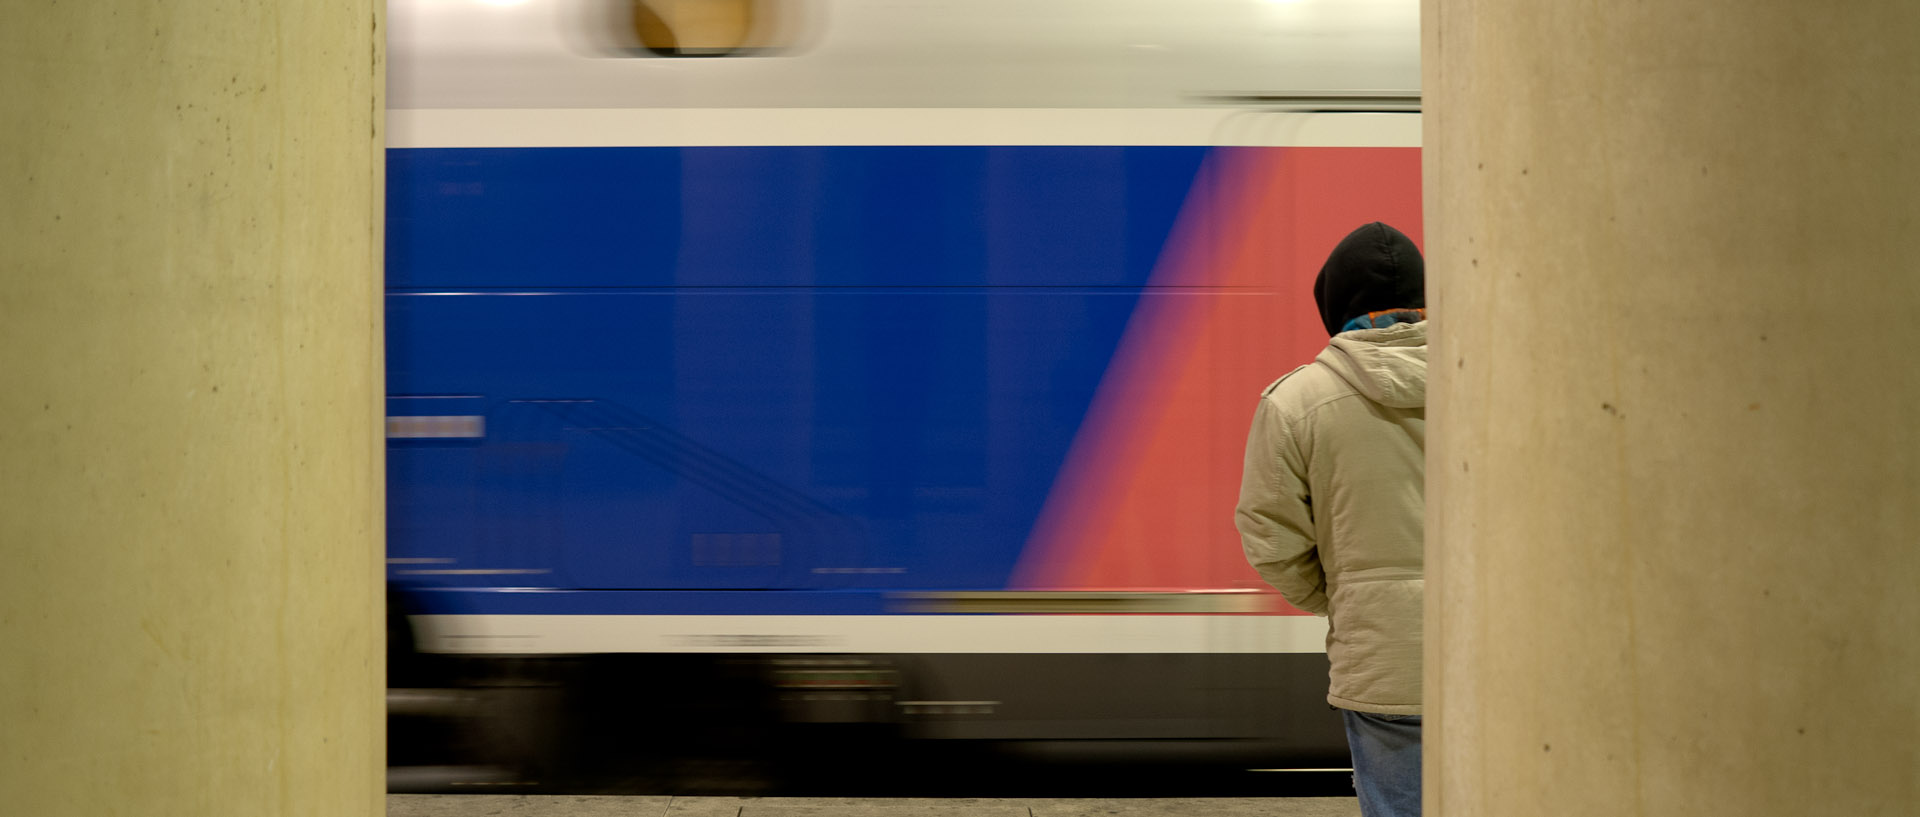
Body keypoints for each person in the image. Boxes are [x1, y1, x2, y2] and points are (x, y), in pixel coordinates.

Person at [1235, 221, 1427, 817]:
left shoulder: (1294, 403)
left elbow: (1270, 539)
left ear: (1333, 306)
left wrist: (1346, 596)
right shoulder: (1501, 387)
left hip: (1384, 658)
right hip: (1496, 654)